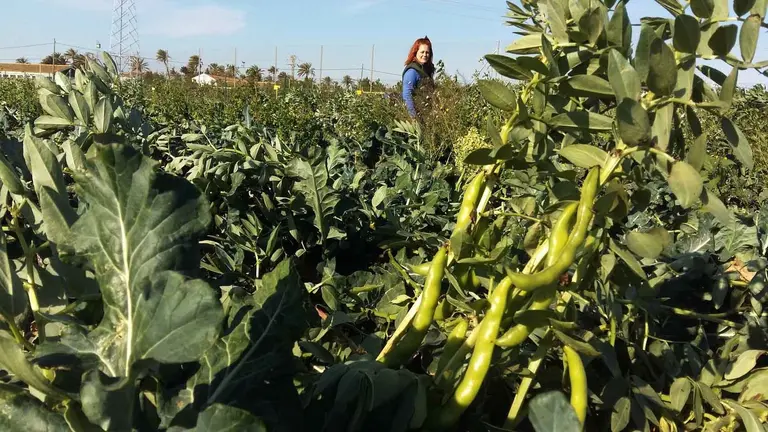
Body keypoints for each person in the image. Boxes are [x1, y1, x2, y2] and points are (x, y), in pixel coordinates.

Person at [402, 36, 436, 119]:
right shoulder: (412, 72)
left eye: (427, 52)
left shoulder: (426, 70)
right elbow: (407, 95)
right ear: (416, 52)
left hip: (426, 115)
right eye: (422, 52)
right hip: (417, 116)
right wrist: (413, 117)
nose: (425, 55)